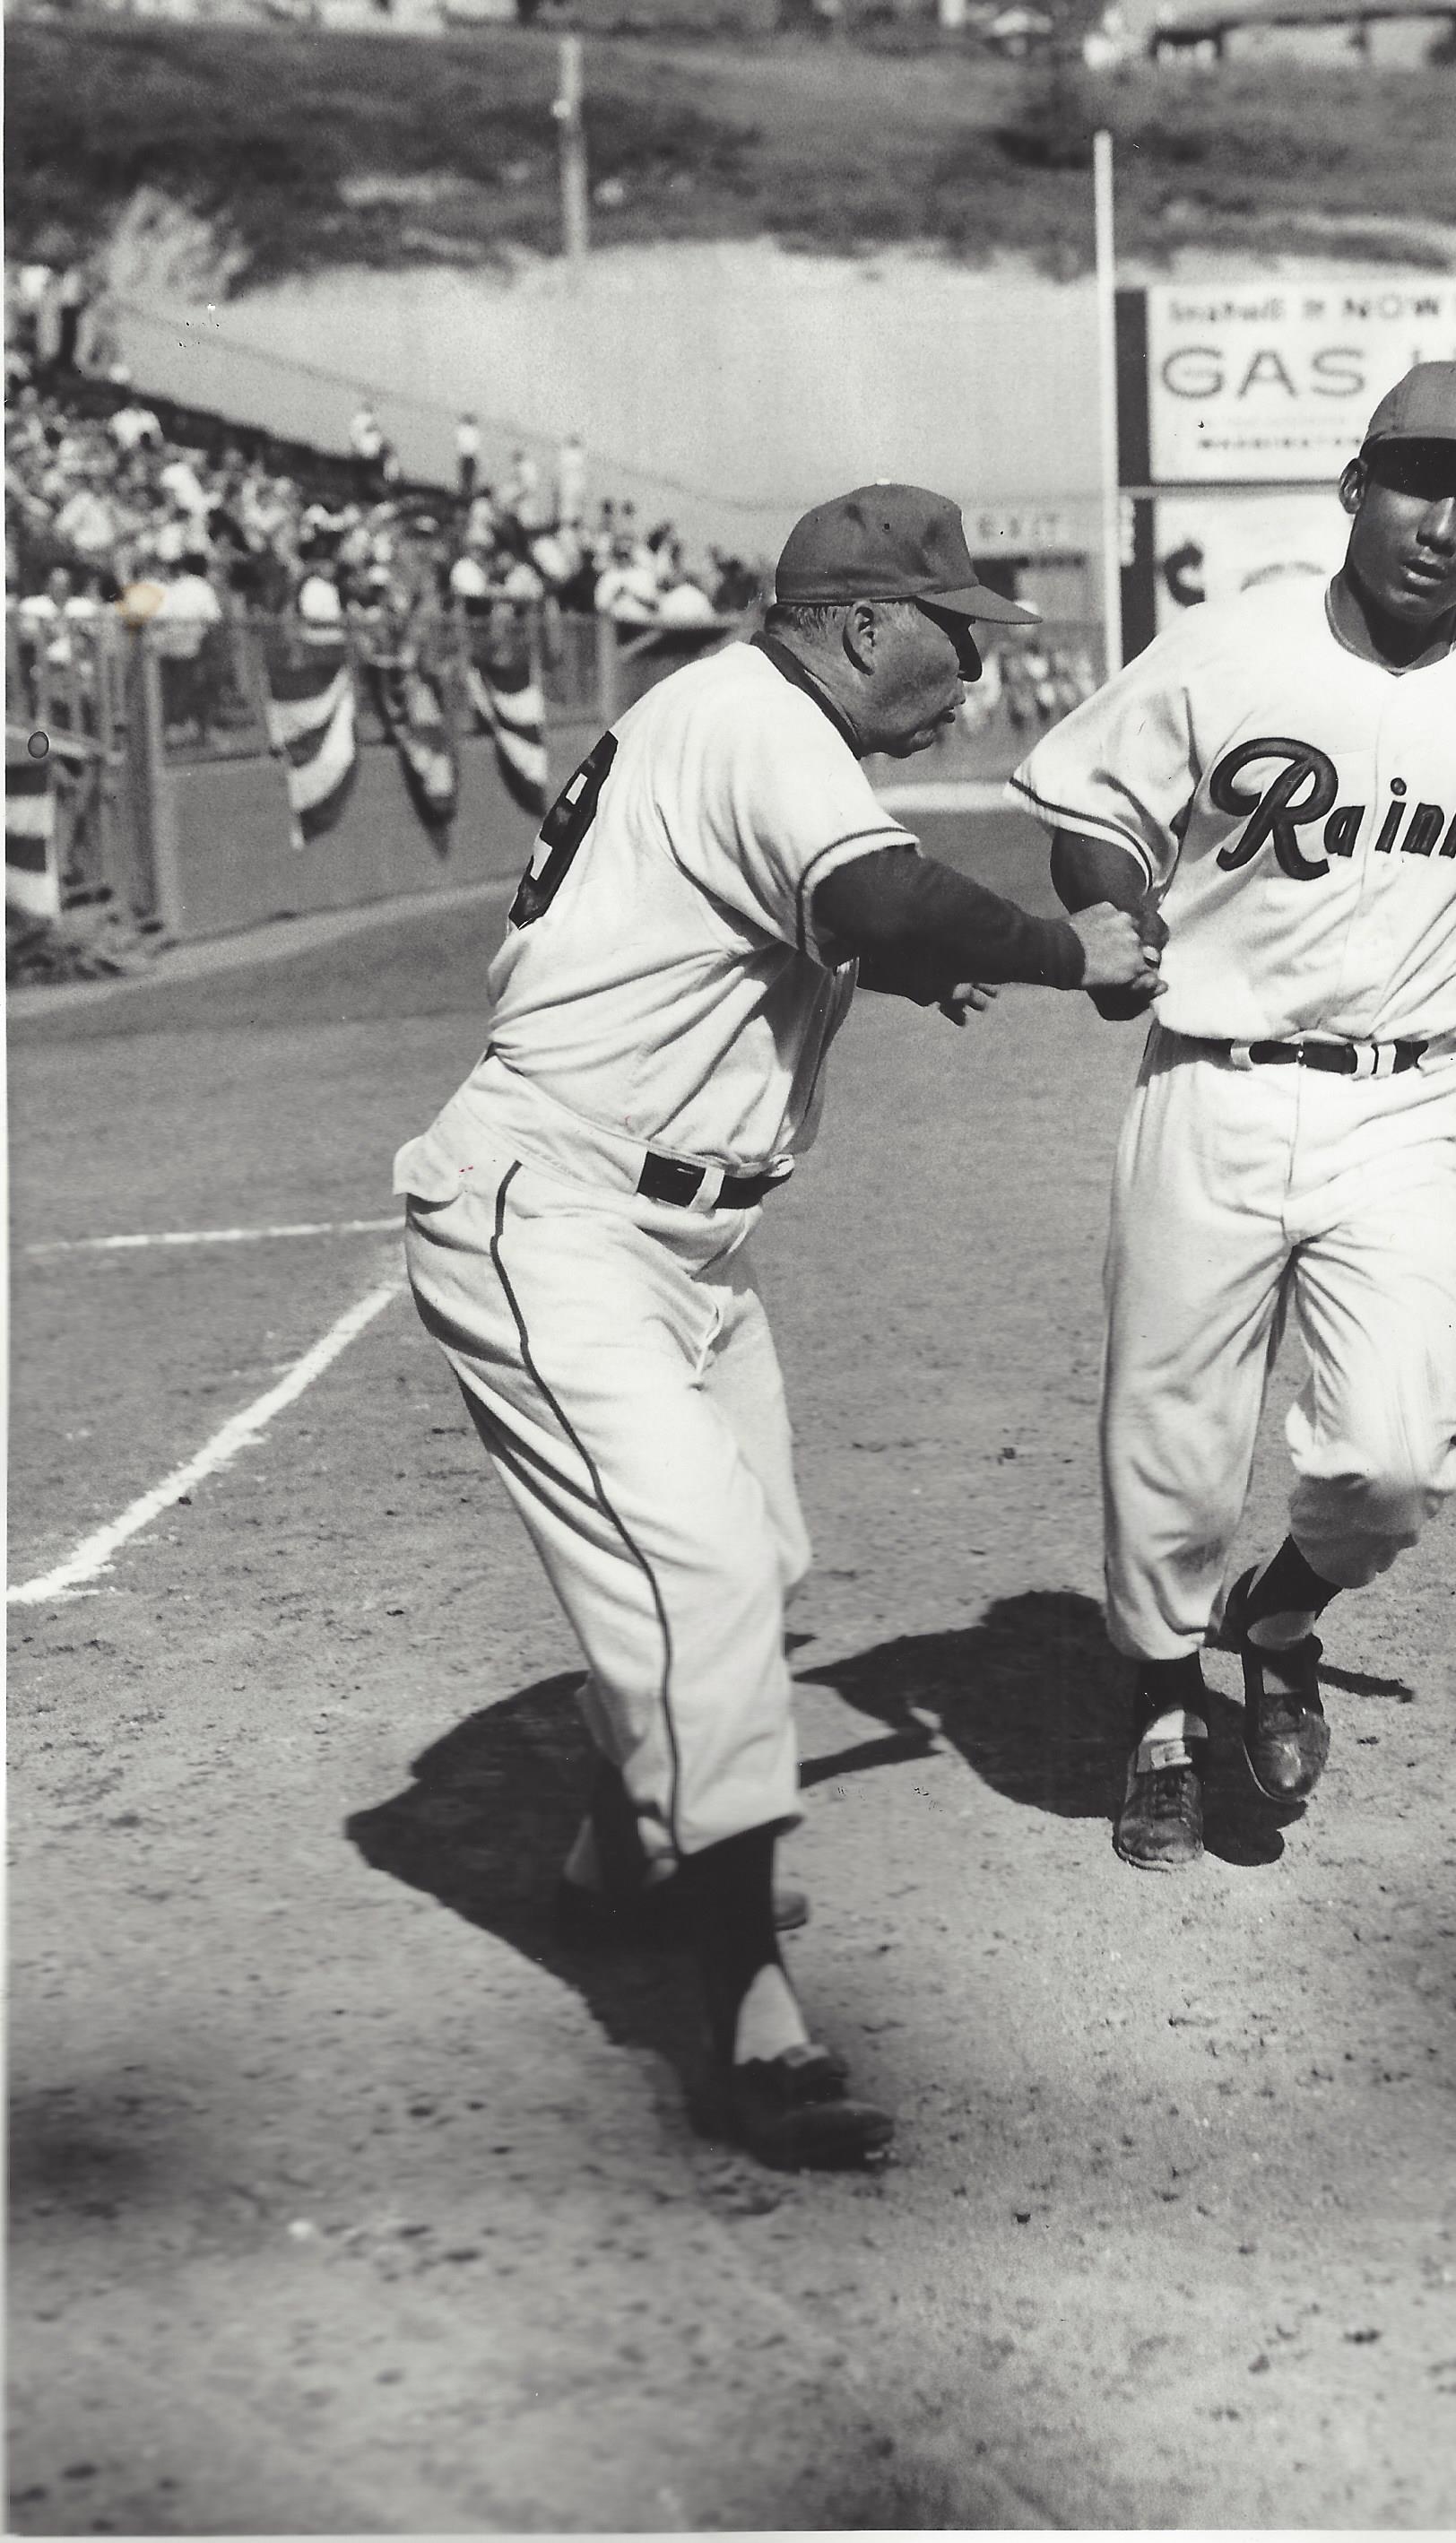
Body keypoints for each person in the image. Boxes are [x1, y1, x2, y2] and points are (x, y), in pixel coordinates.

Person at [393, 484, 1159, 2165]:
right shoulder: (752, 714)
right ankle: (743, 2024)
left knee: (764, 1562)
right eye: (956, 636)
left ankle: (618, 1858)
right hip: (560, 1214)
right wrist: (1061, 947)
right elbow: (877, 902)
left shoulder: (739, 721)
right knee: (709, 1581)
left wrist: (901, 959)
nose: (972, 673)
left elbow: (811, 922)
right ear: (861, 624)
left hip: (671, 1243)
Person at [1010, 360, 1456, 1873]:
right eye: (1419, 484)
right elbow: (1087, 811)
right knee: (1173, 1446)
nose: (1445, 525)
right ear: (1353, 484)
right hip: (1214, 1084)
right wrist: (1117, 916)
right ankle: (1153, 1706)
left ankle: (1278, 1616)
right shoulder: (1228, 646)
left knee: (1391, 1458)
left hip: (1413, 1102)